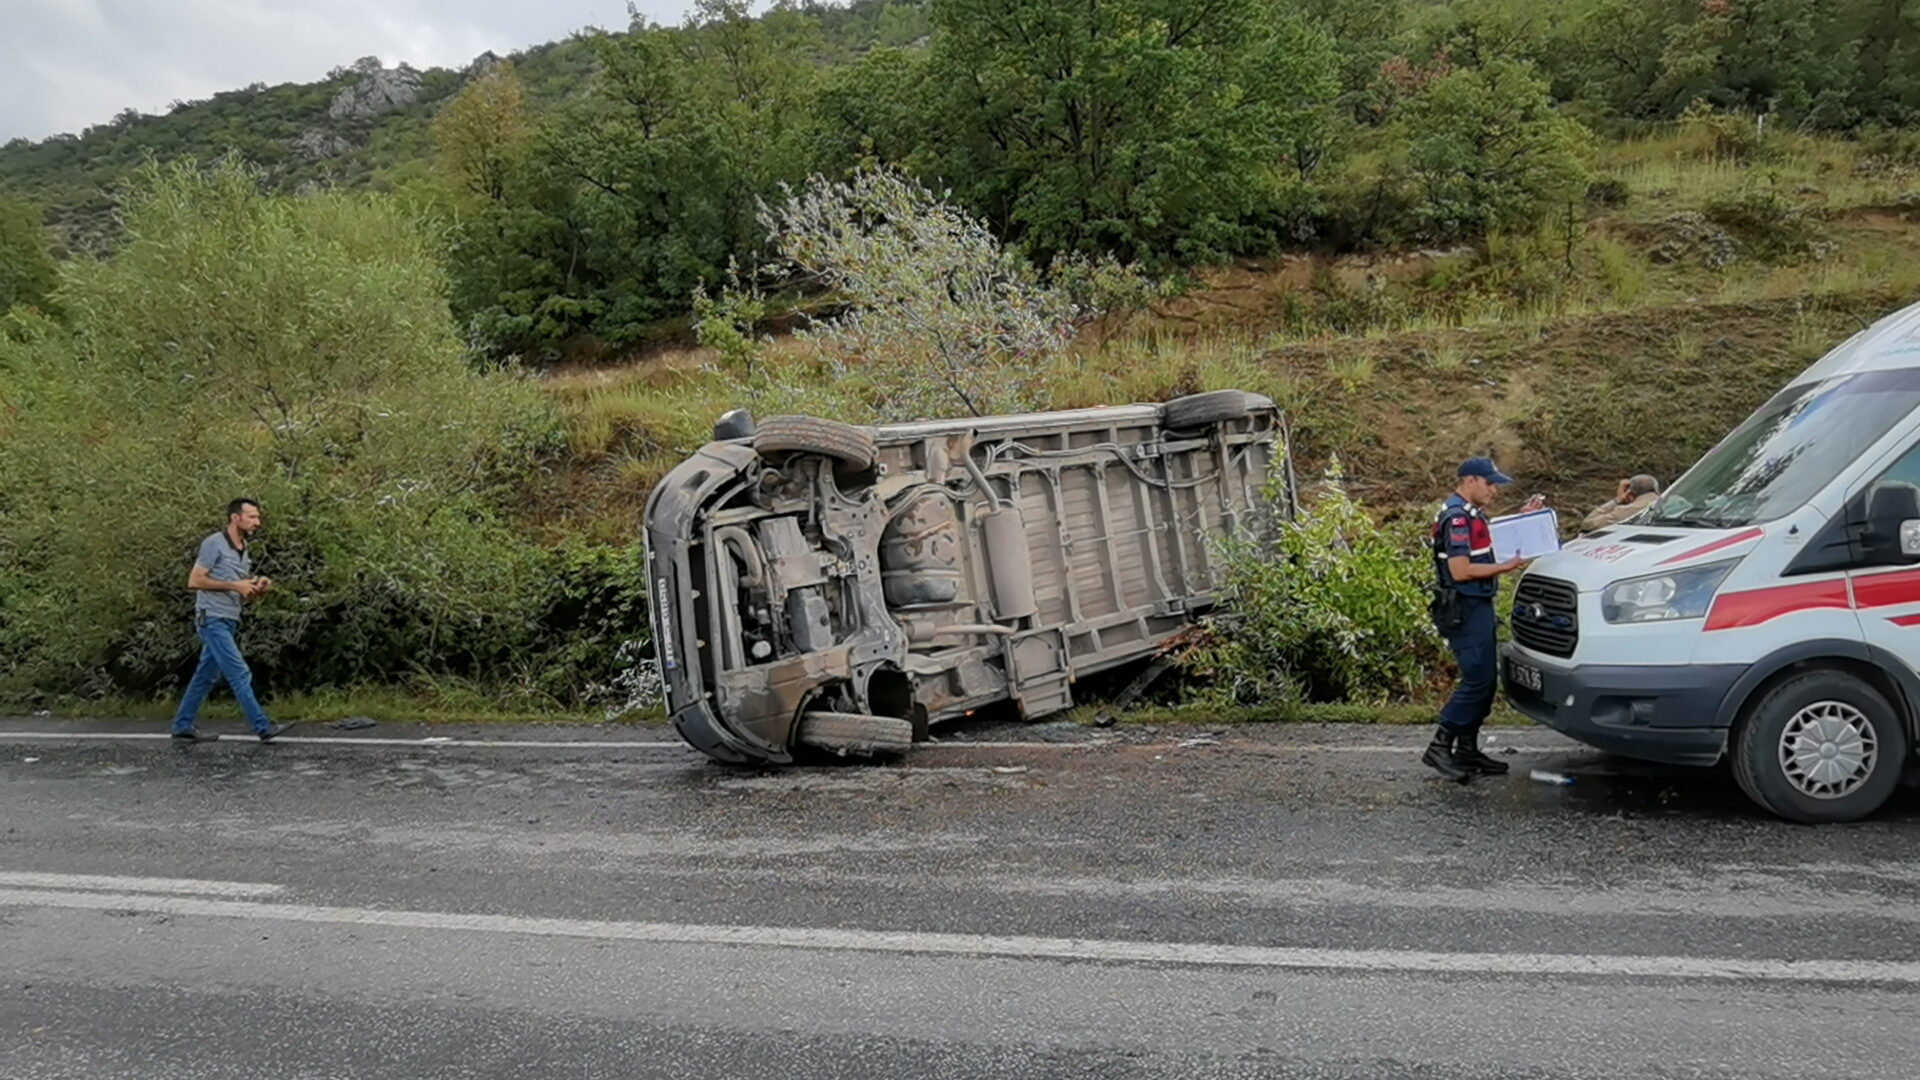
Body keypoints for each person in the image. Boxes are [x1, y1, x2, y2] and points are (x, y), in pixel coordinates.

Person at [1425, 458, 1541, 782]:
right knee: (1477, 680)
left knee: (1487, 681)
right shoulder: (1457, 519)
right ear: (1470, 480)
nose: (1494, 490)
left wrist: (1522, 519)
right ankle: (1439, 746)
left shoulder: (1470, 514)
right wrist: (1506, 567)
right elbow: (1461, 571)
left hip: (1476, 606)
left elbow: (1488, 542)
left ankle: (1467, 750)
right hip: (1465, 608)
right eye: (1489, 484)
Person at [169, 498, 295, 743]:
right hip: (211, 618)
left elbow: (241, 590)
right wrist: (234, 585)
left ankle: (182, 724)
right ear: (235, 518)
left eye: (257, 517)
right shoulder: (214, 543)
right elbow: (194, 581)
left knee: (205, 676)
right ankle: (263, 727)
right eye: (252, 517)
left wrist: (257, 586)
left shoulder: (243, 548)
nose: (257, 522)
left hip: (229, 618)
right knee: (240, 672)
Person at [1579, 474, 1660, 534]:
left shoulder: (1625, 511)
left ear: (1630, 495)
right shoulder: (1666, 502)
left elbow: (1587, 524)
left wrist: (1617, 500)